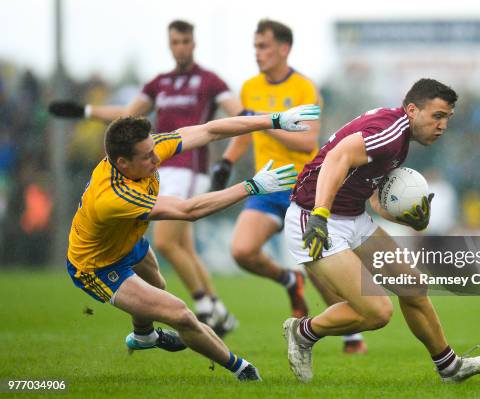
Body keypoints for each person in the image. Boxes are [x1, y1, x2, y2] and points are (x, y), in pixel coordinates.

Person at [64, 105, 319, 382]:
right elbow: (187, 211)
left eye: (153, 149)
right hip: (97, 265)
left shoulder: (147, 151)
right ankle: (242, 370)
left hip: (126, 239)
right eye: (147, 156)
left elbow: (209, 130)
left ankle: (144, 335)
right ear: (123, 163)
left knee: (157, 286)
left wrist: (274, 120)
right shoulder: (113, 197)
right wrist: (251, 187)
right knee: (180, 314)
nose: (156, 158)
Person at [282, 79, 480, 383]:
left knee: (413, 286)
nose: (442, 126)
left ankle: (450, 367)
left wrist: (411, 221)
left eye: (447, 118)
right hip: (313, 218)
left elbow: (373, 198)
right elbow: (337, 157)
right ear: (412, 110)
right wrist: (320, 214)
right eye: (437, 116)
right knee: (378, 312)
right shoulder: (389, 133)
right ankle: (302, 332)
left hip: (352, 218)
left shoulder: (399, 138)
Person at [49, 20, 244, 336]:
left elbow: (239, 113)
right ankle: (217, 309)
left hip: (190, 167)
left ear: (193, 44)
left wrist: (228, 158)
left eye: (185, 41)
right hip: (156, 168)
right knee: (185, 248)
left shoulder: (209, 81)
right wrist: (84, 111)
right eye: (174, 42)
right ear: (170, 45)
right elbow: (126, 116)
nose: (180, 47)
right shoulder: (160, 83)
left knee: (166, 242)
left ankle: (206, 310)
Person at [211, 19, 366, 353]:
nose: (258, 53)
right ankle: (287, 279)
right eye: (255, 46)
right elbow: (244, 129)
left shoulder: (304, 88)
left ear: (284, 48)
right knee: (242, 251)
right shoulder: (250, 87)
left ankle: (352, 336)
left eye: (264, 46)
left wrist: (267, 122)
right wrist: (226, 162)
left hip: (304, 188)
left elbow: (306, 139)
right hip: (267, 187)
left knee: (319, 269)